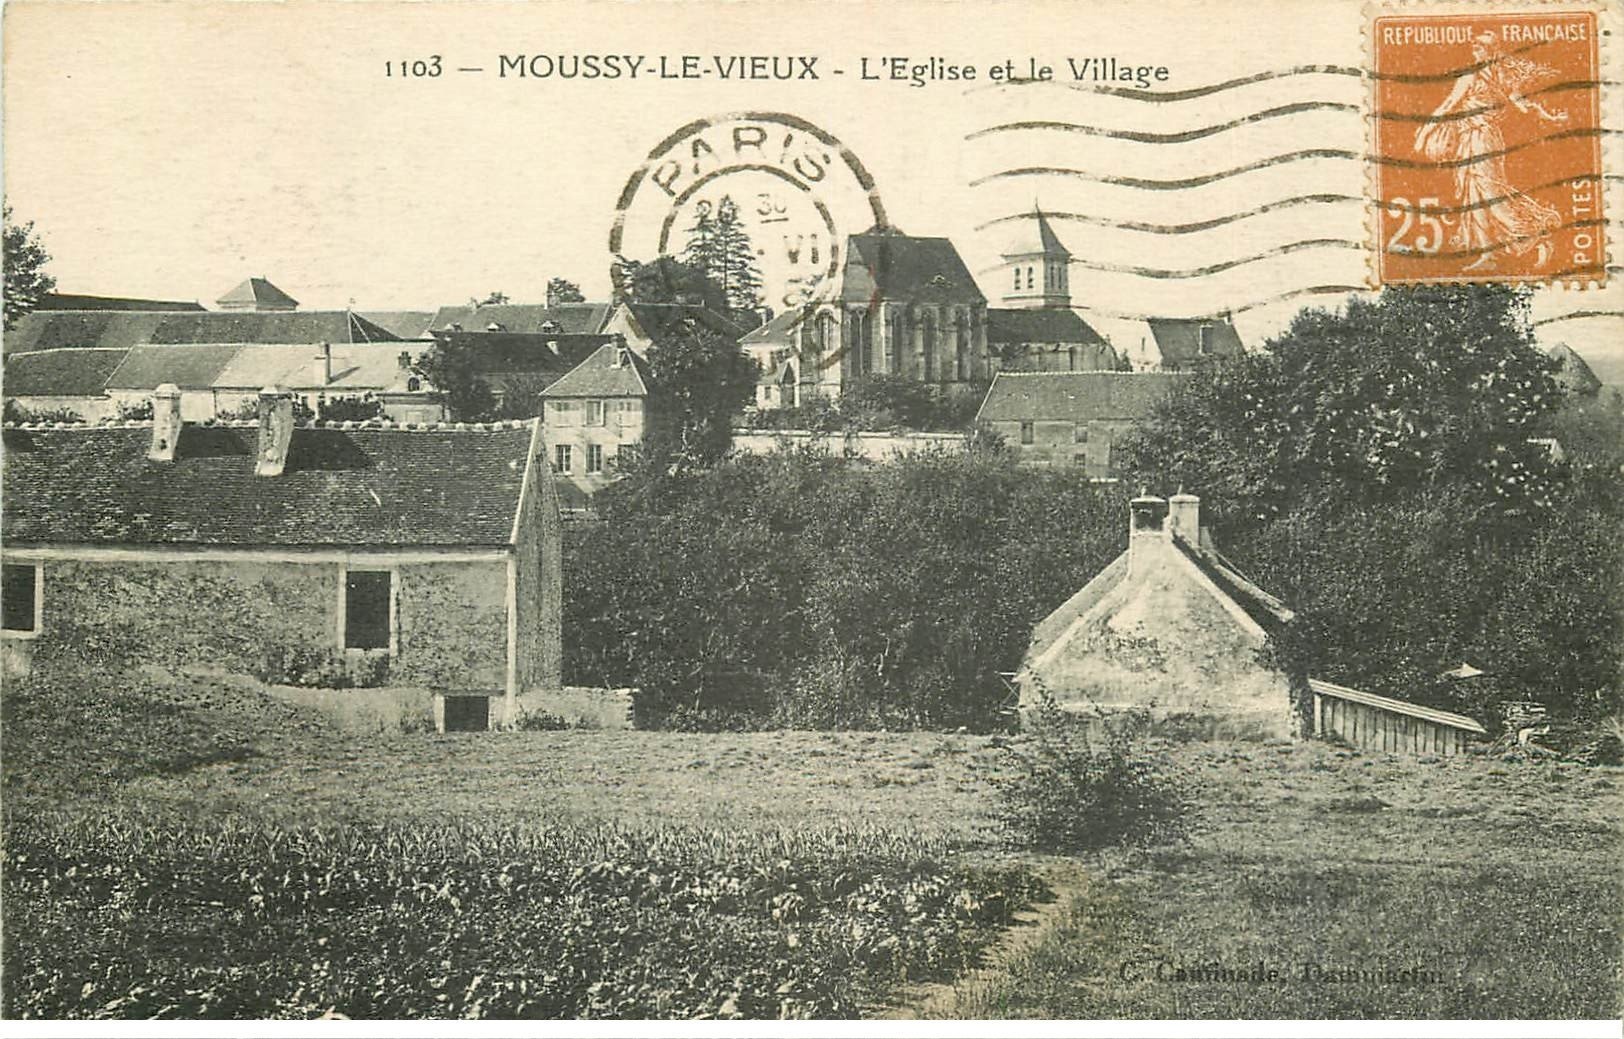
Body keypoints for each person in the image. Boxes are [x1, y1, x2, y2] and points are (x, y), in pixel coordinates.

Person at [1412, 31, 1568, 271]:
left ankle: (1534, 235)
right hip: (1478, 139)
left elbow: (1447, 106)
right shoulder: (1501, 77)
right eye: (1474, 45)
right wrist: (1549, 116)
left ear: (1491, 50)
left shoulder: (1475, 77)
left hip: (1480, 138)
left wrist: (1423, 134)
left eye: (1480, 46)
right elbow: (1524, 106)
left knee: (1490, 194)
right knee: (1475, 196)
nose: (1475, 48)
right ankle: (1488, 254)